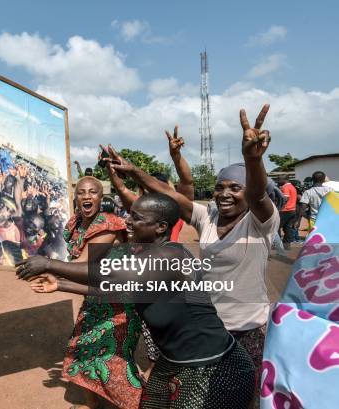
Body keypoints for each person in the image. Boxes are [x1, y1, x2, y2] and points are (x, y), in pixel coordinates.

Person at [101, 105, 279, 407]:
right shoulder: (207, 216)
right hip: (205, 324)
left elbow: (260, 194)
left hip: (245, 327)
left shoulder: (261, 222)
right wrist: (134, 172)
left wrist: (253, 158)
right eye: (220, 187)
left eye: (235, 188)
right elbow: (171, 196)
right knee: (196, 397)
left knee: (239, 397)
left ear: (248, 191)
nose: (224, 194)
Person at [18, 193, 255, 409]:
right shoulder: (148, 256)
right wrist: (60, 283)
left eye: (136, 218)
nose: (127, 222)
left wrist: (49, 264)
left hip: (213, 366)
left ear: (161, 227)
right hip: (174, 361)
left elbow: (109, 273)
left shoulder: (170, 256)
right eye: (129, 215)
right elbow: (116, 288)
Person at [20, 176, 146, 409]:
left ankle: (140, 403)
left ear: (101, 197)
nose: (87, 196)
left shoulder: (109, 224)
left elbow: (84, 265)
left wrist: (48, 266)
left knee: (113, 362)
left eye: (93, 192)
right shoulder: (75, 224)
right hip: (94, 299)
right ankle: (90, 404)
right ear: (75, 197)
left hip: (119, 305)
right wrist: (54, 278)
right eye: (81, 192)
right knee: (83, 350)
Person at [277, 175, 298, 246]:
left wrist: (278, 207)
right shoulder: (292, 187)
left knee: (276, 227)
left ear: (285, 179)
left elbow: (285, 199)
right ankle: (287, 244)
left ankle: (277, 243)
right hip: (292, 210)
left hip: (285, 210)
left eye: (279, 179)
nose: (278, 181)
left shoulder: (285, 187)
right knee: (287, 228)